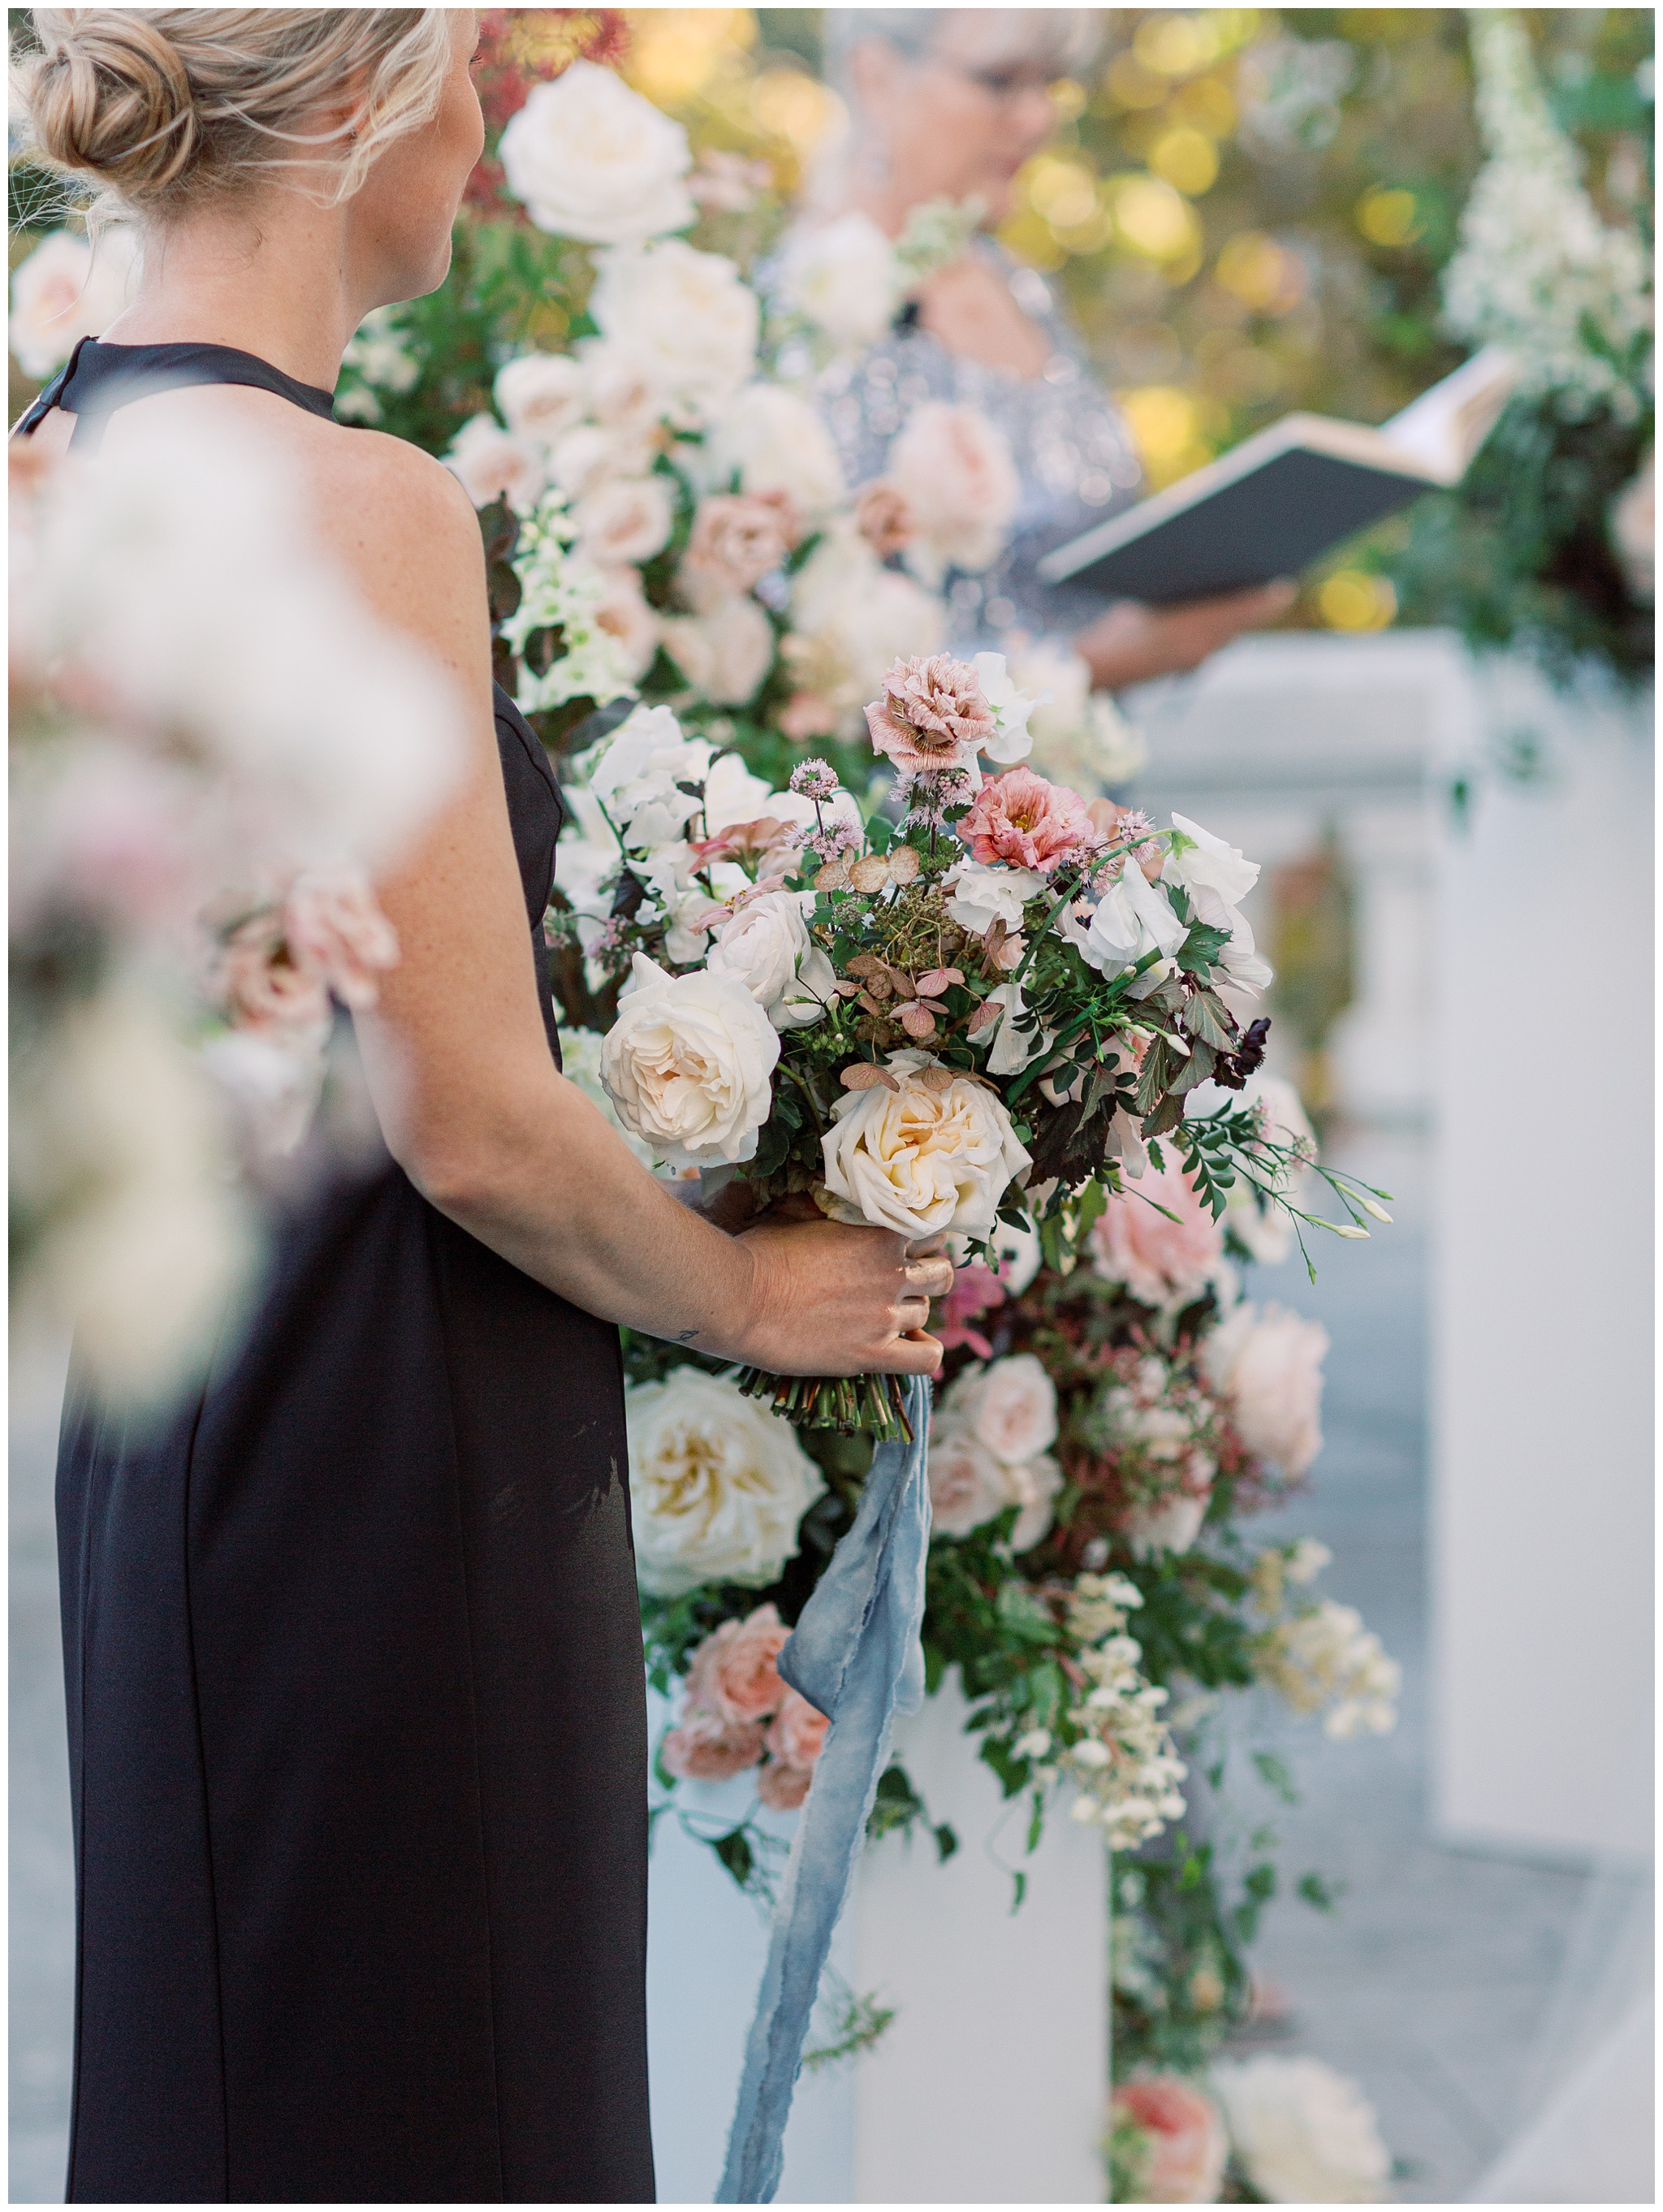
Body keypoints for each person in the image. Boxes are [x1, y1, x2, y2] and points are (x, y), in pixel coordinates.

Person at [13, 11, 951, 2203]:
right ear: (353, 105)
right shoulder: (363, 501)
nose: (491, 123)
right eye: (471, 67)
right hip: (397, 1474)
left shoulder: (49, 465)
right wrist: (750, 1288)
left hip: (176, 1452)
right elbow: (473, 1121)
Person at [810, 7, 1294, 691]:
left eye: (1051, 84)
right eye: (1002, 80)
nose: (1038, 119)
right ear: (877, 74)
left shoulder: (1023, 288)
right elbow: (816, 671)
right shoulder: (803, 321)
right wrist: (1104, 662)